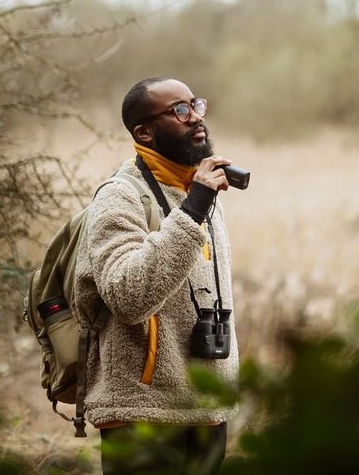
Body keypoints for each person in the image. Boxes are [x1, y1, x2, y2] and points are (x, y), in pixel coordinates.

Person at [73, 77, 239, 474]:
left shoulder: (197, 192)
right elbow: (128, 297)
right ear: (143, 131)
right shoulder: (120, 195)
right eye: (179, 111)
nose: (196, 118)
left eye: (196, 106)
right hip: (141, 411)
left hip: (207, 409)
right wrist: (195, 208)